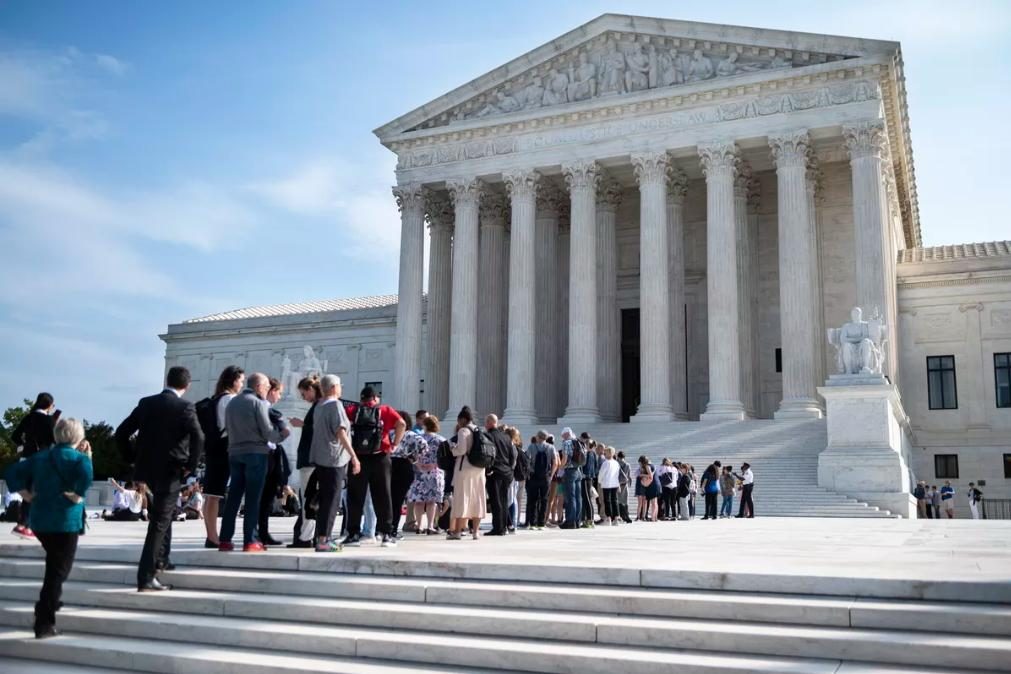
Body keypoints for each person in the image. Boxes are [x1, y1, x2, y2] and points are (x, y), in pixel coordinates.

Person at [3, 417, 93, 639]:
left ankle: (51, 601)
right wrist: (77, 495)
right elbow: (85, 481)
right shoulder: (80, 460)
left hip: (40, 521)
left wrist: (27, 495)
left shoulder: (41, 457)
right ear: (79, 436)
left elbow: (12, 473)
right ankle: (45, 617)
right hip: (65, 522)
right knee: (59, 569)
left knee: (55, 564)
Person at [116, 366, 203, 591]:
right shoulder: (185, 406)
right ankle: (146, 576)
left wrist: (132, 458)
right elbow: (198, 437)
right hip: (171, 470)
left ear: (167, 380)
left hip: (147, 469)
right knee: (159, 521)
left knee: (164, 513)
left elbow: (122, 432)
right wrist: (190, 466)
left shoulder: (147, 403)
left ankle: (163, 558)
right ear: (187, 385)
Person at [219, 372, 287, 552]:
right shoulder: (257, 403)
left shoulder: (232, 402)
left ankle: (225, 539)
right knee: (253, 498)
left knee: (233, 497)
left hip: (234, 452)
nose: (266, 391)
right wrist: (282, 435)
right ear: (258, 387)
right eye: (265, 388)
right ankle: (250, 539)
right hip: (255, 453)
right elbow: (267, 432)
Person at [341, 386, 406, 548]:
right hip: (380, 456)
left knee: (355, 496)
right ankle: (386, 534)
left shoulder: (351, 410)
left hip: (358, 458)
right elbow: (402, 424)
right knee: (383, 496)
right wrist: (395, 444)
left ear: (362, 399)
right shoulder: (385, 410)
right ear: (375, 398)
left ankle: (353, 533)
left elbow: (341, 427)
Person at [309, 374, 359, 552]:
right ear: (333, 387)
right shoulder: (335, 405)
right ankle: (324, 540)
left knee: (325, 499)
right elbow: (341, 432)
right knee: (332, 500)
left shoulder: (318, 406)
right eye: (339, 386)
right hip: (334, 458)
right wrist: (353, 455)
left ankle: (321, 537)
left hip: (320, 457)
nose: (341, 389)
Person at [201, 366, 245, 548]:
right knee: (214, 495)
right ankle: (212, 537)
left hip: (214, 448)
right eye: (241, 381)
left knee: (212, 495)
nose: (242, 384)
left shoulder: (216, 398)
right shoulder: (229, 400)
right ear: (234, 380)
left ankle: (211, 535)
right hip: (224, 448)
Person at [10, 392, 58, 538]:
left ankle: (25, 525)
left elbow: (15, 436)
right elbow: (53, 440)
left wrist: (23, 446)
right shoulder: (48, 419)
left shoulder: (29, 417)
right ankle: (25, 524)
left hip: (25, 458)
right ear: (49, 405)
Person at [287, 375, 321, 548]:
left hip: (310, 460)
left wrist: (302, 424)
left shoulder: (318, 407)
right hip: (312, 459)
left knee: (308, 499)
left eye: (303, 394)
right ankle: (308, 535)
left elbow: (320, 429)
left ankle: (305, 537)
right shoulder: (318, 406)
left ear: (310, 390)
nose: (303, 398)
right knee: (311, 498)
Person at [258, 378, 291, 546]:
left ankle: (263, 533)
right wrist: (278, 437)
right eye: (278, 392)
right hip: (263, 454)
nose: (279, 396)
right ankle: (258, 533)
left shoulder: (270, 410)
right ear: (271, 391)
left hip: (271, 454)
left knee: (267, 497)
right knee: (261, 496)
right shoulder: (263, 408)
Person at [447, 406, 487, 540]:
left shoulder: (463, 431)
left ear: (462, 419)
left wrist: (453, 448)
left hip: (464, 468)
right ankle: (475, 532)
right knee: (478, 498)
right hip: (479, 468)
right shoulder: (478, 429)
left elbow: (461, 450)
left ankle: (457, 531)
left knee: (461, 498)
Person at [408, 416, 445, 534]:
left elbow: (410, 454)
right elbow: (445, 457)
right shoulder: (441, 440)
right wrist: (434, 464)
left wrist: (418, 464)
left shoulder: (418, 438)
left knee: (419, 501)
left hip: (419, 473)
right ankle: (430, 526)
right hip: (434, 472)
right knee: (431, 501)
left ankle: (419, 526)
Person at [390, 410, 424, 536]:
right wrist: (413, 456)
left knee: (387, 498)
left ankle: (383, 527)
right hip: (404, 464)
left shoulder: (390, 433)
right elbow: (424, 446)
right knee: (398, 500)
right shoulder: (411, 435)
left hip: (389, 464)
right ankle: (393, 528)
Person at [484, 415, 516, 536]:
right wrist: (509, 469)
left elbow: (487, 454)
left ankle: (498, 528)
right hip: (506, 472)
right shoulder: (506, 437)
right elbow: (512, 456)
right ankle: (504, 527)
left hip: (494, 472)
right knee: (503, 500)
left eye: (486, 422)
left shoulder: (488, 436)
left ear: (489, 423)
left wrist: (488, 469)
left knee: (495, 501)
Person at [524, 430, 557, 530]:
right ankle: (541, 523)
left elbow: (526, 460)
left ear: (538, 437)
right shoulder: (551, 447)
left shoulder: (531, 446)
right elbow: (555, 462)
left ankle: (532, 523)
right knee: (544, 500)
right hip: (545, 477)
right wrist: (551, 474)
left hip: (534, 476)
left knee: (532, 500)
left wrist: (530, 470)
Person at [558, 428, 582, 529]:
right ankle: (577, 521)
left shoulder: (566, 443)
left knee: (570, 497)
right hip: (578, 470)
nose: (562, 437)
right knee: (577, 497)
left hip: (570, 471)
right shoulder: (578, 442)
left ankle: (570, 521)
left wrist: (560, 467)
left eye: (562, 435)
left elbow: (565, 457)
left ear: (566, 434)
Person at [597, 447, 620, 526]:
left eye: (605, 453)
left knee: (607, 501)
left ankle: (608, 518)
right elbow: (617, 474)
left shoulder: (605, 463)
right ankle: (616, 518)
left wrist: (599, 481)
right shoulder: (616, 463)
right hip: (615, 483)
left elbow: (601, 473)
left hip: (606, 484)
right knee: (614, 500)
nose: (604, 454)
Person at [579, 433, 597, 528]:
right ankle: (588, 519)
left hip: (585, 478)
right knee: (587, 499)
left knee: (586, 499)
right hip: (589, 478)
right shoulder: (593, 454)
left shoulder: (589, 454)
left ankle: (590, 520)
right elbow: (596, 467)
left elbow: (586, 466)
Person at [616, 451, 633, 524]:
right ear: (624, 457)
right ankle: (626, 516)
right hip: (625, 484)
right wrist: (630, 484)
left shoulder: (616, 464)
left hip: (617, 485)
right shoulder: (628, 465)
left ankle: (619, 516)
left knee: (617, 501)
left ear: (618, 456)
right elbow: (629, 476)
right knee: (625, 501)